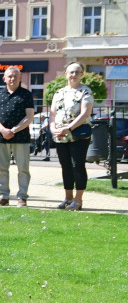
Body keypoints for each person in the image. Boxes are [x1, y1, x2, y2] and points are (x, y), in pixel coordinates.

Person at [0, 66, 35, 207]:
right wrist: (3, 130)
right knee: (1, 169)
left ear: (20, 78)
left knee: (23, 169)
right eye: (9, 76)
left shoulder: (26, 95)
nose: (12, 79)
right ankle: (3, 196)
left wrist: (13, 130)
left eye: (15, 76)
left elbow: (29, 116)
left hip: (21, 138)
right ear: (4, 79)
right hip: (1, 137)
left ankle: (22, 197)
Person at [50, 63, 93, 211]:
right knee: (66, 166)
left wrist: (68, 128)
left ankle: (78, 199)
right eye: (71, 72)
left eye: (77, 72)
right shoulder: (59, 92)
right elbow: (53, 114)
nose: (73, 75)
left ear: (81, 75)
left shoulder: (85, 92)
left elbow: (85, 114)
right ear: (66, 74)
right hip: (60, 136)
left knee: (77, 166)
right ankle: (68, 197)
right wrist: (52, 128)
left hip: (78, 135)